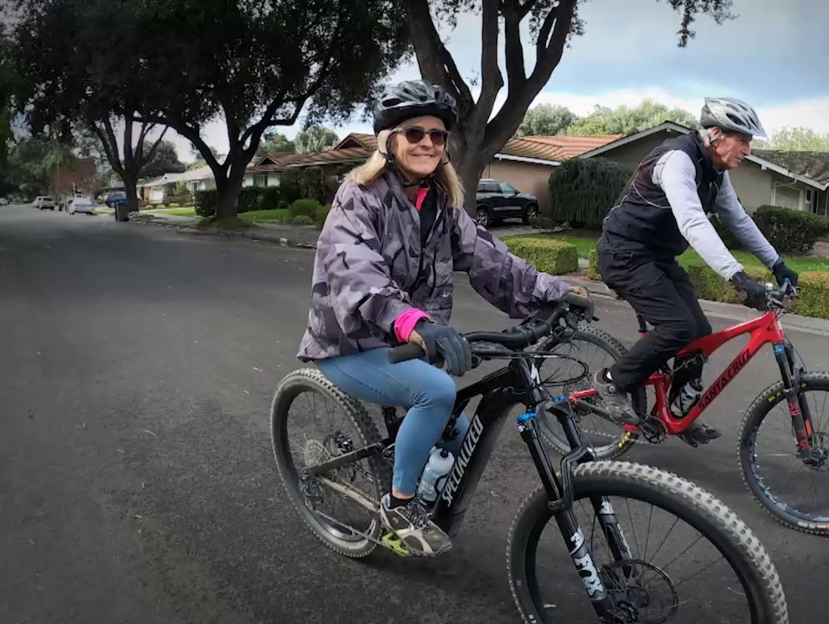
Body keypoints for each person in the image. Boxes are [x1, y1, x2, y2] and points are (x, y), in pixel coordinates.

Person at [296, 79, 589, 556]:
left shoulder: (442, 206)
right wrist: (414, 322)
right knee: (436, 392)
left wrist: (555, 293)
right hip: (349, 343)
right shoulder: (359, 197)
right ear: (389, 141)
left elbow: (493, 261)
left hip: (410, 342)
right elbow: (358, 274)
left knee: (457, 429)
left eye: (437, 135)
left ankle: (420, 483)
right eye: (415, 133)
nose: (428, 143)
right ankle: (398, 507)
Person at [592, 96, 799, 447]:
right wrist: (738, 277)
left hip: (658, 258)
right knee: (678, 328)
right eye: (743, 140)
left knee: (699, 334)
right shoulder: (677, 161)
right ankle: (611, 382)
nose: (748, 150)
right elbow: (692, 222)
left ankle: (678, 412)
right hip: (624, 254)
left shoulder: (716, 173)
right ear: (716, 135)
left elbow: (739, 220)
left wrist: (777, 264)